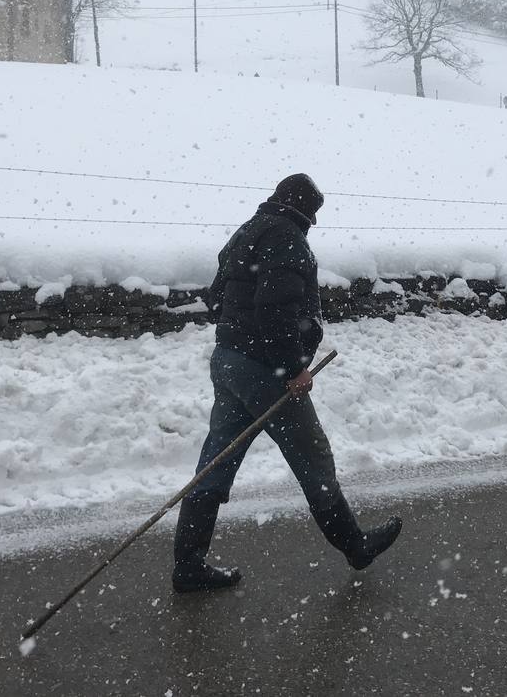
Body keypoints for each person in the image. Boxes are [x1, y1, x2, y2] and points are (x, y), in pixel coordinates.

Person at [172, 173, 403, 593]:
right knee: (313, 457)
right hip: (265, 370)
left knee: (217, 459)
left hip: (228, 360)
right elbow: (275, 311)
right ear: (305, 210)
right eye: (313, 215)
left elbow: (216, 298)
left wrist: (237, 337)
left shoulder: (248, 231)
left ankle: (188, 563)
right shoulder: (287, 238)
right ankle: (356, 546)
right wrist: (293, 366)